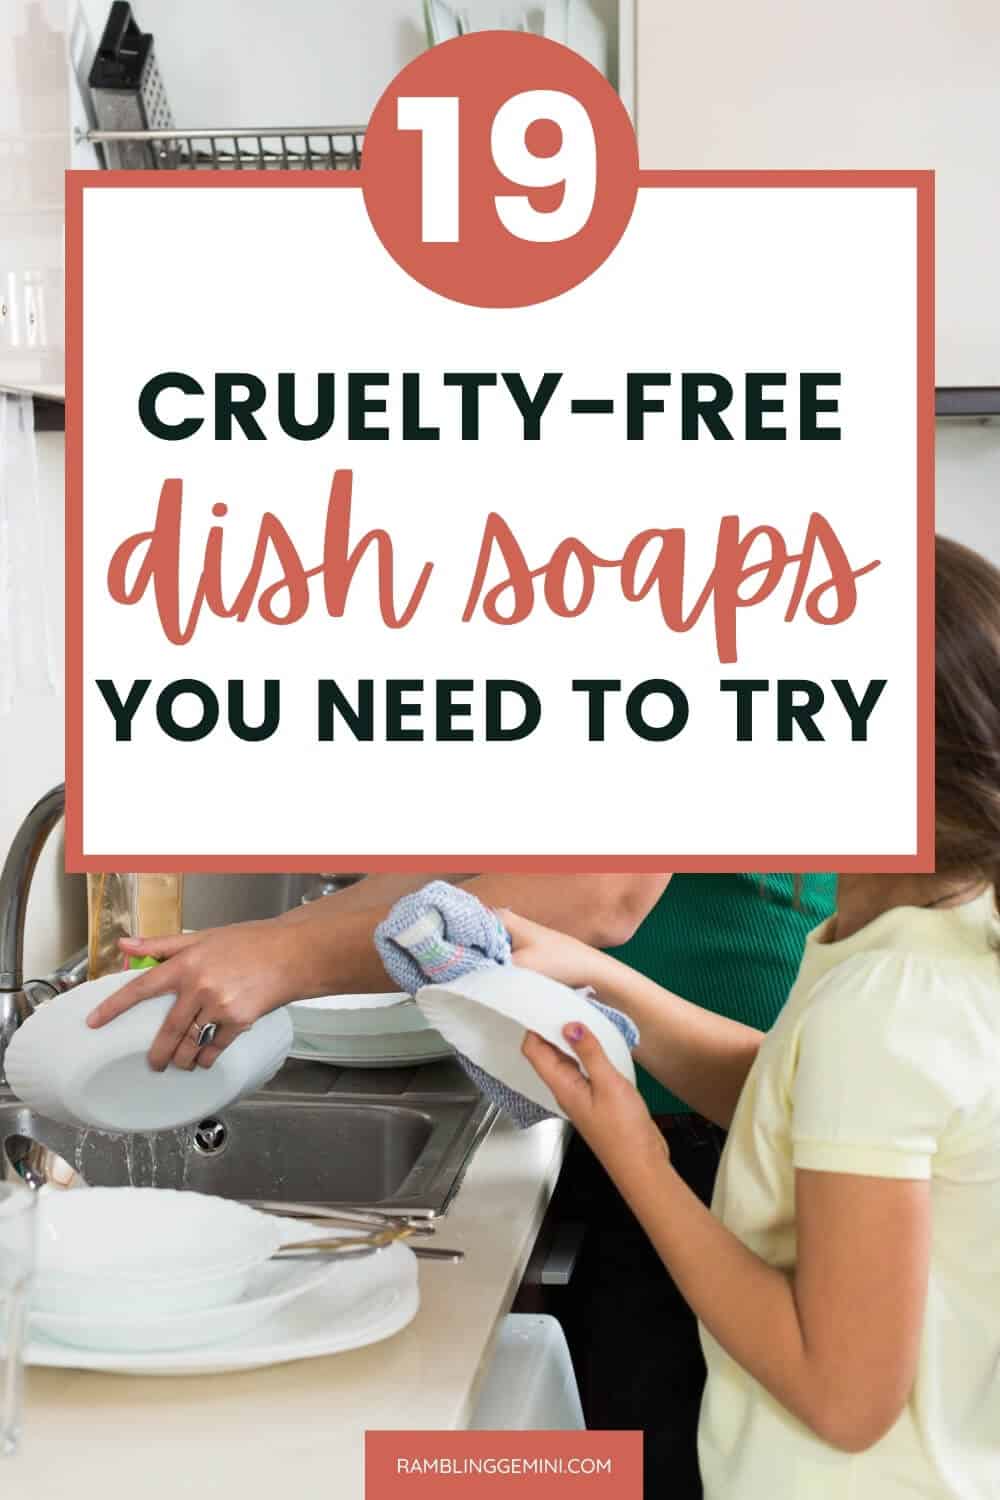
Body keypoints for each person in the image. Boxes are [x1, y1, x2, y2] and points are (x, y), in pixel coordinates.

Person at [508, 535, 1000, 1499]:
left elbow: (844, 1399)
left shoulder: (886, 1007)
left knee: (447, 1467)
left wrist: (631, 1150)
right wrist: (609, 988)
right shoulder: (927, 937)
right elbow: (797, 1095)